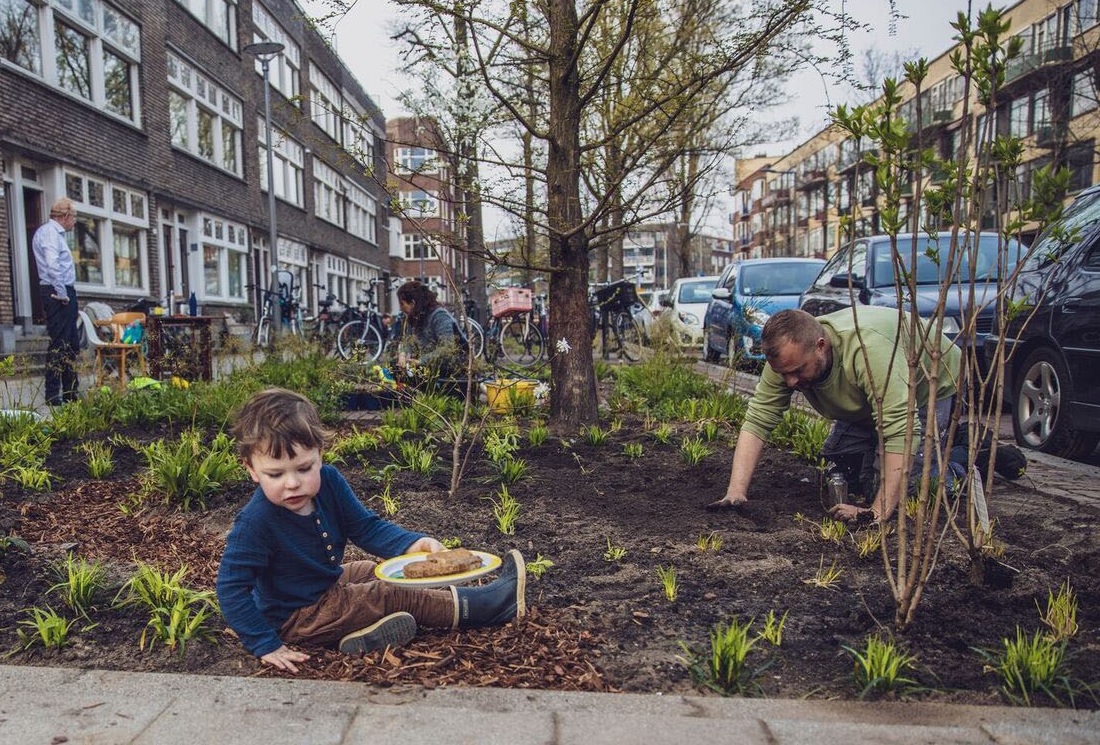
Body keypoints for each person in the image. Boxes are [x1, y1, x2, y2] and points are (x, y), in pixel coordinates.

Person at [216, 387, 525, 673]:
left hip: (325, 587)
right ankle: (488, 606)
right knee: (386, 593)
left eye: (304, 468)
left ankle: (364, 630)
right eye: (275, 473)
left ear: (320, 454)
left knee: (371, 571)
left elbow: (365, 527)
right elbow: (230, 588)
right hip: (296, 617)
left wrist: (412, 543)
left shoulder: (331, 482)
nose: (292, 482)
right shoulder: (256, 522)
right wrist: (265, 643)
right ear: (251, 469)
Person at [708, 306, 964, 524]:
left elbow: (900, 430)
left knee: (900, 489)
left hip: (927, 384)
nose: (790, 382)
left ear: (821, 346)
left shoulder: (868, 350)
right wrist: (736, 492)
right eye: (784, 373)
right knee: (843, 471)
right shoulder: (788, 361)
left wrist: (875, 513)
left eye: (797, 371)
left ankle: (960, 464)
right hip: (869, 398)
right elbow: (757, 421)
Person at [32, 197, 80, 405]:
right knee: (59, 343)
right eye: (74, 217)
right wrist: (62, 294)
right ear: (65, 216)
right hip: (57, 292)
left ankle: (71, 392)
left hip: (64, 290)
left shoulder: (56, 234)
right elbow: (52, 266)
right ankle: (53, 395)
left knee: (70, 343)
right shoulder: (50, 234)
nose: (75, 222)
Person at [393, 280, 468, 380]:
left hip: (453, 367)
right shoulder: (413, 317)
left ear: (412, 303)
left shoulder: (440, 316)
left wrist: (420, 361)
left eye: (402, 304)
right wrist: (402, 354)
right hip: (429, 363)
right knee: (393, 366)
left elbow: (447, 349)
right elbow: (408, 340)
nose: (400, 308)